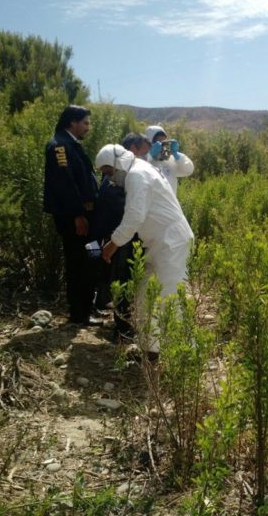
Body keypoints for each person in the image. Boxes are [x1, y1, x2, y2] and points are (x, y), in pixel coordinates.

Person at [95, 144, 195, 360]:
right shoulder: (139, 170)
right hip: (159, 243)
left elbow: (134, 217)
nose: (110, 179)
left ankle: (185, 357)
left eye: (109, 172)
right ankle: (151, 350)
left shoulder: (137, 175)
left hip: (172, 242)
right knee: (143, 295)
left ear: (118, 163)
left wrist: (113, 244)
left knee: (169, 297)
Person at [43, 104, 101, 326]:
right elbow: (65, 184)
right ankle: (79, 314)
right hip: (76, 220)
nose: (88, 127)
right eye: (85, 123)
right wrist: (78, 215)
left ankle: (88, 307)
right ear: (72, 122)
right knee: (79, 263)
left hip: (88, 218)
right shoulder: (59, 147)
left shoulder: (71, 145)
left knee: (92, 258)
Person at [92, 133, 151, 341]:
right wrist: (114, 241)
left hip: (119, 237)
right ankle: (123, 330)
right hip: (121, 238)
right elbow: (125, 213)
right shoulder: (116, 180)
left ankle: (123, 325)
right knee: (122, 282)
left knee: (122, 280)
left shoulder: (127, 176)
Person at [144, 125, 194, 194]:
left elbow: (189, 170)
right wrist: (150, 155)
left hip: (170, 204)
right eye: (158, 143)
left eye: (164, 142)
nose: (162, 147)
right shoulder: (142, 160)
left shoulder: (170, 159)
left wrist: (176, 155)